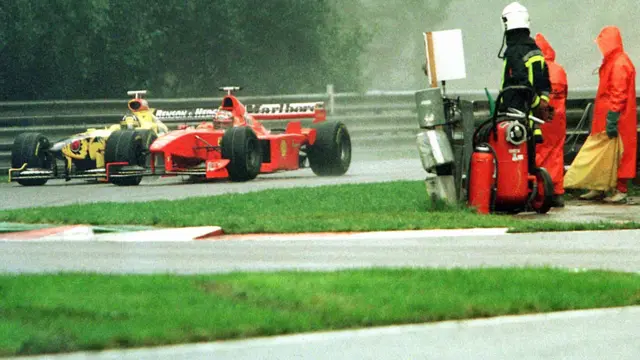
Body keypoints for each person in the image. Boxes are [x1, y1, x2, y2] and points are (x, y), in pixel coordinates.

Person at [579, 26, 637, 203]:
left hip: (617, 117)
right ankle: (599, 186)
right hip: (605, 116)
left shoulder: (619, 63)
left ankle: (620, 189)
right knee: (603, 153)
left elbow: (618, 93)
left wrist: (612, 117)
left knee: (620, 153)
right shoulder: (613, 61)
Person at [498, 1, 552, 141]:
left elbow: (521, 82)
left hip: (516, 118)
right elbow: (545, 81)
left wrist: (536, 105)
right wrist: (542, 102)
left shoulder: (514, 51)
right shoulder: (535, 50)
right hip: (531, 121)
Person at [534, 33, 567, 207]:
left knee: (538, 151)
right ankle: (557, 193)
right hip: (558, 120)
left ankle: (540, 191)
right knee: (556, 154)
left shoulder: (536, 69)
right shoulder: (560, 70)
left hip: (540, 117)